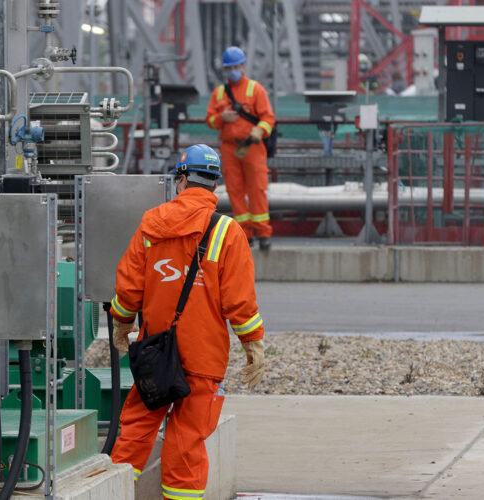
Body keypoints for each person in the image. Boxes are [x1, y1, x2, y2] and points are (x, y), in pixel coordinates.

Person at [109, 144, 266, 500]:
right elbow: (239, 301)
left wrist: (121, 323)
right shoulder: (227, 232)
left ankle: (114, 493)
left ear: (180, 180)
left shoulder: (151, 224)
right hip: (203, 356)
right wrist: (253, 343)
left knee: (135, 429)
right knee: (186, 442)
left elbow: (129, 286)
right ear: (214, 186)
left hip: (156, 353)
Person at [205, 46, 276, 250]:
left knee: (257, 190)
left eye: (236, 66)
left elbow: (268, 117)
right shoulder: (219, 93)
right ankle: (245, 234)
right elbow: (210, 120)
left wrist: (259, 131)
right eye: (230, 67)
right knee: (235, 191)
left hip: (252, 146)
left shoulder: (255, 89)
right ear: (225, 70)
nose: (233, 70)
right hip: (230, 149)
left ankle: (263, 234)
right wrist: (221, 118)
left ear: (243, 66)